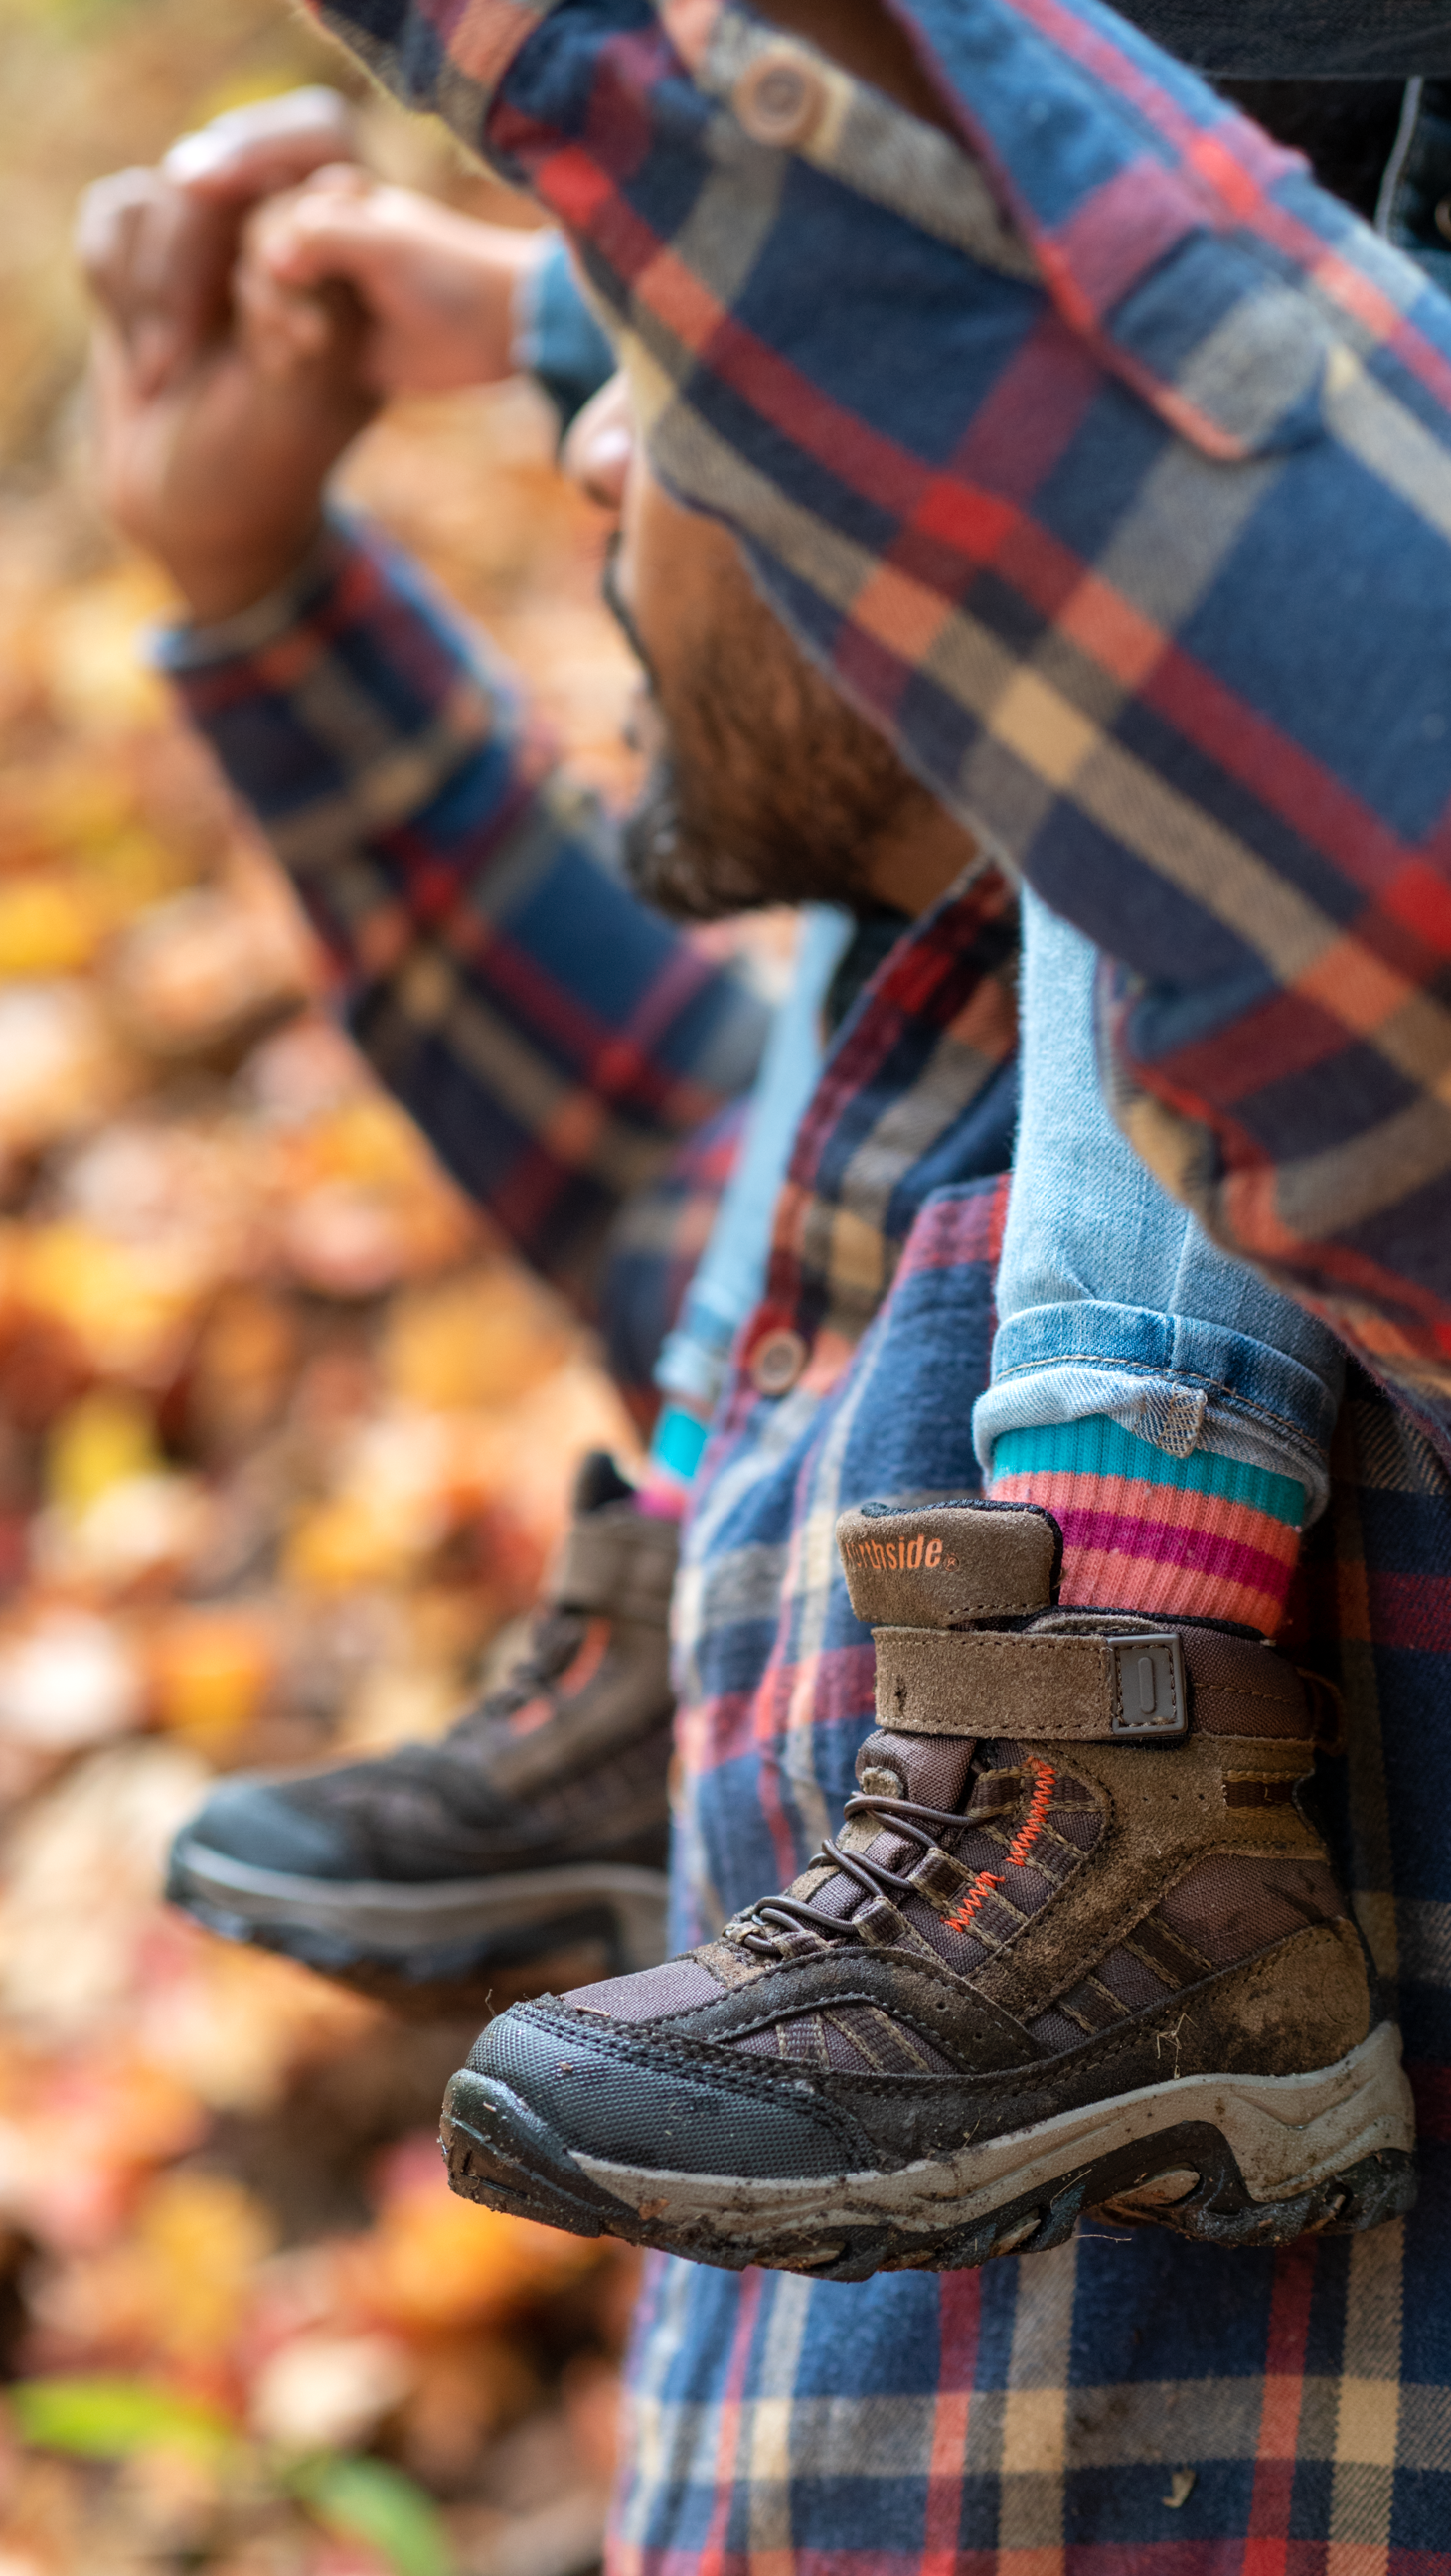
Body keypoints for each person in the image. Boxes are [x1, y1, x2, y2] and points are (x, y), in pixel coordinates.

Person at [81, 3, 1451, 2554]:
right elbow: (647, 1178)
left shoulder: (1339, 1170)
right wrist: (263, 602)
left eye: (683, 360)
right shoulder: (960, 1171)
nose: (587, 440)